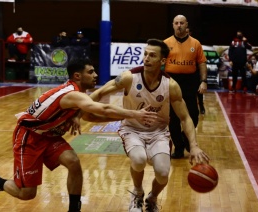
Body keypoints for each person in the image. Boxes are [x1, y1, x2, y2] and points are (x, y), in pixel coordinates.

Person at [0, 58, 158, 212]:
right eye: (91, 72)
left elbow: (90, 116)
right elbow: (103, 108)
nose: (95, 75)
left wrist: (118, 120)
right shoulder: (71, 94)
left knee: (74, 162)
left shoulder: (77, 94)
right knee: (27, 194)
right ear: (78, 76)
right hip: (29, 137)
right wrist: (136, 114)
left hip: (49, 136)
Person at [89, 39, 210, 212]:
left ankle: (152, 198)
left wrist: (194, 146)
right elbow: (100, 92)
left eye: (152, 55)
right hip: (132, 129)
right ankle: (137, 192)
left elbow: (185, 118)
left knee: (162, 173)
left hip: (158, 132)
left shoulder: (171, 85)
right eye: (145, 54)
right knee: (138, 160)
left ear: (162, 61)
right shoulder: (128, 77)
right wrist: (77, 111)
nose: (146, 58)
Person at [163, 15, 208, 159]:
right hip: (171, 81)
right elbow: (160, 63)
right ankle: (179, 148)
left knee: (193, 116)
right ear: (173, 25)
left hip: (190, 82)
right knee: (173, 118)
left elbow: (201, 63)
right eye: (176, 23)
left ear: (186, 24)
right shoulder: (166, 43)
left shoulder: (196, 43)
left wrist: (204, 81)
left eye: (182, 23)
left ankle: (185, 137)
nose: (179, 25)